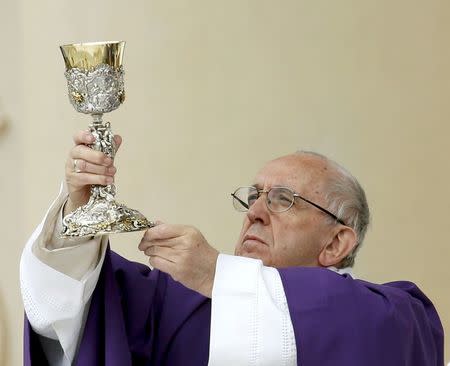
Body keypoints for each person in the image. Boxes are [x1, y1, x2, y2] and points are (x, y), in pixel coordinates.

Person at [20, 130, 444, 366]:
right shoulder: (180, 307)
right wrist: (80, 212)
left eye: (282, 199)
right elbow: (74, 306)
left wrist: (215, 273)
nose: (255, 211)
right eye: (254, 196)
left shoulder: (397, 316)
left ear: (336, 243)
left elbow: (360, 326)